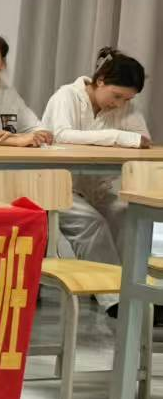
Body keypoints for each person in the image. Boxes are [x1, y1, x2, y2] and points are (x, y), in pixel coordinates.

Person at [42, 48, 152, 315]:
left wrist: (129, 137)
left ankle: (135, 292)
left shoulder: (125, 106)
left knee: (128, 214)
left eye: (127, 99)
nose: (120, 104)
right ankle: (113, 298)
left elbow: (142, 140)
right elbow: (63, 135)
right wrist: (120, 137)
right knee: (92, 223)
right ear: (100, 81)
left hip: (98, 187)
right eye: (117, 96)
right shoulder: (66, 96)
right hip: (57, 186)